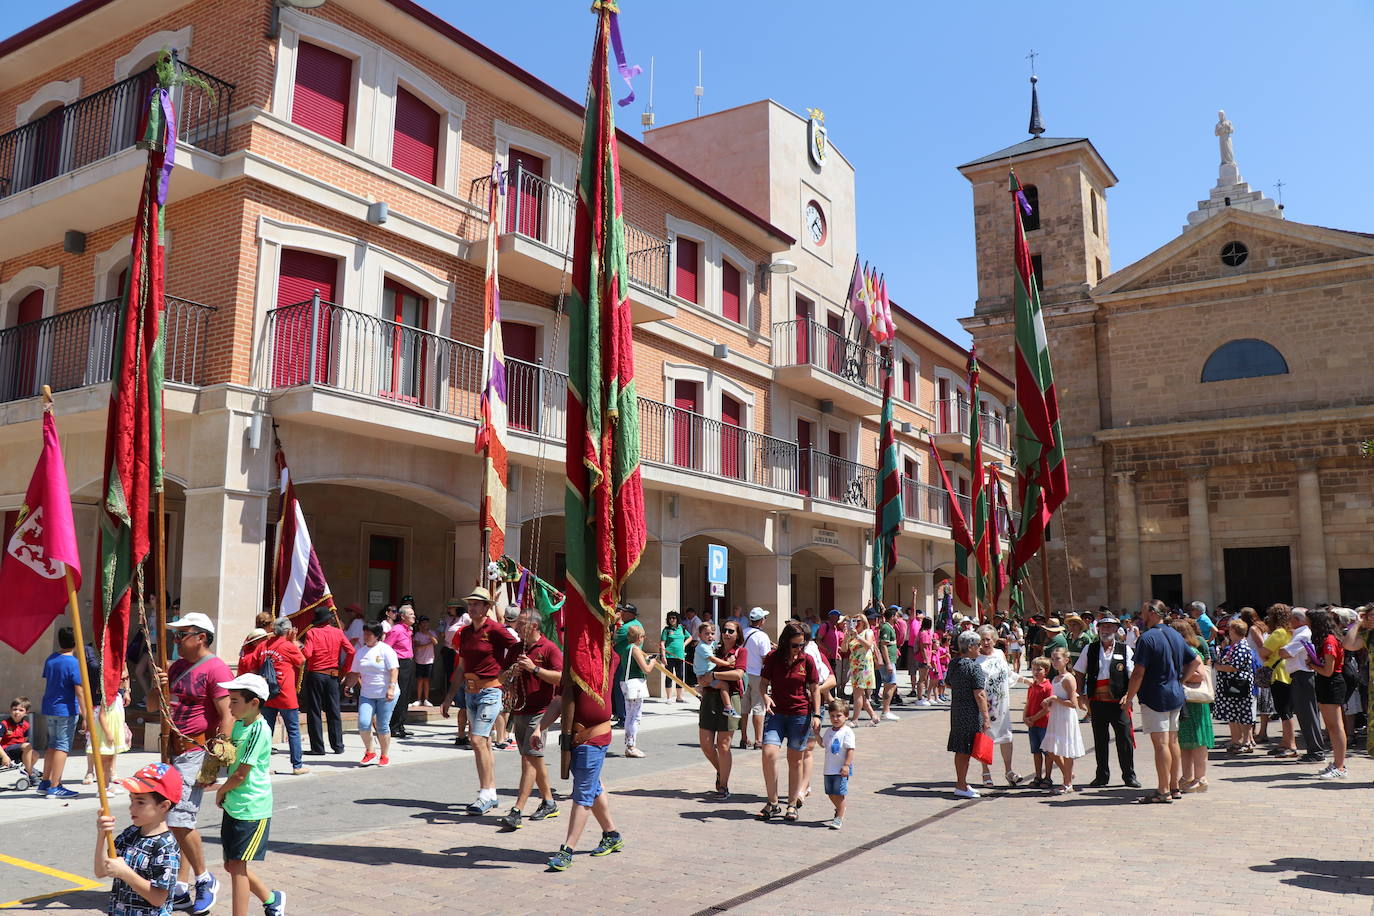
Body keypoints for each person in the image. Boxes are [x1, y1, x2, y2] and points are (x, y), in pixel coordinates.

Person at [160, 613, 234, 915]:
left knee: (179, 819)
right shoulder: (176, 667)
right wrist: (158, 685)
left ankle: (204, 879)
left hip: (197, 752)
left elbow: (228, 715)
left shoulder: (215, 668)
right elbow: (155, 705)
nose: (176, 641)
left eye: (182, 635)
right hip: (173, 751)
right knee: (176, 822)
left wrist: (213, 764)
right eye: (175, 636)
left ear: (201, 636)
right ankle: (179, 885)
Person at [213, 673, 285, 916]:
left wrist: (220, 790)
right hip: (235, 803)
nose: (230, 705)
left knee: (237, 866)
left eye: (235, 701)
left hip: (252, 807)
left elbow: (241, 774)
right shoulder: (240, 724)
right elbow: (232, 760)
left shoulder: (259, 729)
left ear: (254, 703)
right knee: (230, 864)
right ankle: (272, 898)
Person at [536, 674, 624, 871]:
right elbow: (560, 701)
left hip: (593, 739)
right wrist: (540, 728)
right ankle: (612, 834)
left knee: (583, 792)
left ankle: (568, 849)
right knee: (594, 787)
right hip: (575, 739)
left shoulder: (606, 662)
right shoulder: (572, 667)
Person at [447, 587, 518, 815]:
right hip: (469, 692)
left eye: (477, 604)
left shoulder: (496, 629)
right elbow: (461, 665)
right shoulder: (466, 632)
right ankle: (491, 793)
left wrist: (508, 674)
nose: (472, 607)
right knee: (484, 743)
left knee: (476, 740)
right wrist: (449, 696)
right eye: (470, 604)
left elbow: (517, 647)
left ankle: (485, 793)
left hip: (490, 691)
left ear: (487, 607)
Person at [1120, 600, 1198, 805]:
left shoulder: (1147, 638)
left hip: (1155, 695)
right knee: (1172, 741)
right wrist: (1180, 680)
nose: (1141, 615)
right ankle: (1173, 786)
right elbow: (1195, 661)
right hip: (1174, 694)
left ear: (1153, 613)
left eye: (1144, 611)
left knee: (1161, 744)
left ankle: (1163, 790)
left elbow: (1138, 672)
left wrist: (1129, 697)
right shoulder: (1175, 634)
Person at [498, 609, 563, 830]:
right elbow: (500, 676)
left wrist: (534, 669)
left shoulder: (549, 648)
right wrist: (511, 673)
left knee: (528, 758)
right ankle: (549, 802)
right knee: (535, 759)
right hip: (519, 710)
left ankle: (517, 810)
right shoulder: (516, 648)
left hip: (541, 712)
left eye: (522, 624)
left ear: (534, 626)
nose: (516, 627)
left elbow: (560, 676)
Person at [94, 762, 183, 916]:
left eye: (140, 802)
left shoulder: (166, 847)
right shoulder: (130, 834)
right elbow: (101, 871)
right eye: (131, 800)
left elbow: (158, 898)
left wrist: (125, 873)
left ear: (164, 806)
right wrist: (102, 835)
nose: (132, 808)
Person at [755, 623, 821, 822]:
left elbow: (815, 688)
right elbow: (763, 683)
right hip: (776, 713)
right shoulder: (773, 658)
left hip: (800, 714)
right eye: (795, 645)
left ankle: (792, 804)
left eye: (802, 645)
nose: (798, 649)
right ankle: (772, 802)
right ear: (785, 642)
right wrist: (765, 696)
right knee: (769, 753)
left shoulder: (807, 660)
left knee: (795, 759)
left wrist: (817, 714)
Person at [1072, 615, 1139, 788]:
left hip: (1119, 701)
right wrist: (1080, 693)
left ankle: (1129, 776)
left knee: (1124, 739)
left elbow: (1133, 675)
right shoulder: (1090, 648)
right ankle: (1102, 775)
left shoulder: (1125, 650)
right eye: (1103, 627)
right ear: (1098, 629)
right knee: (1100, 740)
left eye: (1109, 627)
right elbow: (1079, 671)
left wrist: (1129, 696)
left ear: (1116, 630)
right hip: (1097, 700)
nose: (1106, 631)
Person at [239, 617, 308, 776]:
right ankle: (297, 766)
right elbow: (302, 662)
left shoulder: (263, 645)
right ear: (289, 631)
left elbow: (255, 666)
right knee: (293, 730)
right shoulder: (288, 646)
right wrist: (294, 641)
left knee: (265, 731)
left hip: (268, 694)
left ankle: (263, 766)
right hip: (286, 696)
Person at [696, 620, 745, 799]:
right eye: (724, 630)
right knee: (706, 745)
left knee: (724, 746)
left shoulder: (741, 651)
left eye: (731, 631)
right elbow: (702, 672)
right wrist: (702, 680)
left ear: (738, 634)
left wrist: (713, 675)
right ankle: (721, 770)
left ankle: (723, 785)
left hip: (729, 698)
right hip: (709, 698)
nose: (726, 633)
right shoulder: (712, 649)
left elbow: (738, 674)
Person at [974, 624, 1025, 788]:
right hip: (985, 704)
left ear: (994, 640)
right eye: (982, 640)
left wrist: (1026, 681)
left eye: (988, 639)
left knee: (1006, 736)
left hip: (1001, 703)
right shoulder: (976, 658)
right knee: (985, 736)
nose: (985, 643)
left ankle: (1009, 771)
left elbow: (1008, 674)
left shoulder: (1000, 653)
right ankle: (985, 771)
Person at [300, 607, 355, 757]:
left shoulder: (312, 632)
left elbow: (307, 653)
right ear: (329, 619)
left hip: (316, 675)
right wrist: (344, 671)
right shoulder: (338, 632)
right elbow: (351, 651)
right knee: (334, 711)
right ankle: (338, 745)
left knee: (314, 711)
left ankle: (318, 748)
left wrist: (298, 647)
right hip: (332, 675)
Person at [36, 625, 81, 799]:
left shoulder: (51, 659)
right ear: (76, 642)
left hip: (50, 707)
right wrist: (84, 712)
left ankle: (45, 781)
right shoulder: (74, 663)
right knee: (62, 746)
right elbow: (79, 690)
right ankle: (55, 786)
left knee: (53, 744)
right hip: (66, 709)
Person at [1170, 618, 1213, 794]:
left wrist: (1179, 678)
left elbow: (1199, 675)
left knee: (1198, 741)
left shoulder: (1192, 651)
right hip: (1184, 702)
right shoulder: (1178, 651)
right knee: (1185, 742)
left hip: (1195, 702)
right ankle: (1187, 777)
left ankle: (1200, 778)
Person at [946, 629, 990, 799]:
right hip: (970, 712)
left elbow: (948, 683)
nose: (980, 648)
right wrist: (986, 717)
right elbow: (979, 694)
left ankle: (962, 782)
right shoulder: (974, 666)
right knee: (965, 749)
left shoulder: (954, 663)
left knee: (961, 748)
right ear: (970, 647)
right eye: (978, 645)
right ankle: (961, 784)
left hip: (957, 709)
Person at [1280, 608, 1327, 763]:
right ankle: (1314, 750)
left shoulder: (1302, 633)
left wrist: (1280, 649)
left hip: (1303, 677)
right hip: (1300, 677)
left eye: (1290, 618)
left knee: (1308, 715)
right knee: (1305, 715)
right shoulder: (1300, 632)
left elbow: (1285, 652)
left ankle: (1316, 751)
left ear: (1296, 620)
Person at [347, 622, 398, 765]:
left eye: (369, 634)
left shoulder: (385, 650)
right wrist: (348, 685)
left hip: (385, 694)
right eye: (365, 633)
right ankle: (370, 751)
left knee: (382, 725)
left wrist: (391, 688)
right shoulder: (361, 652)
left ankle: (384, 755)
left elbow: (394, 670)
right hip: (367, 694)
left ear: (377, 636)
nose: (366, 636)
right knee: (363, 724)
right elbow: (355, 672)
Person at [1308, 608, 1348, 779]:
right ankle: (1337, 762)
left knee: (1336, 726)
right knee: (1331, 727)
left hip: (1332, 683)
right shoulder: (1326, 639)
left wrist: (1312, 665)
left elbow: (1328, 671)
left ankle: (1340, 766)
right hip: (1326, 684)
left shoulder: (1330, 640)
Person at [1041, 647, 1086, 793]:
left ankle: (1067, 783)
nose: (1054, 662)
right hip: (1056, 715)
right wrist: (1049, 703)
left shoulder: (1068, 678)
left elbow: (1073, 704)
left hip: (1066, 716)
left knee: (1066, 750)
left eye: (1058, 659)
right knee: (1051, 749)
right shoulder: (1055, 678)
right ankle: (1068, 774)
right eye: (1052, 659)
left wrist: (1054, 698)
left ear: (1066, 660)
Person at [1260, 603, 1297, 759]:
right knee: (1285, 710)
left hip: (1279, 674)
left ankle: (1291, 744)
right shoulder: (1292, 632)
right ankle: (1285, 742)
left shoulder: (1278, 633)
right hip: (1289, 671)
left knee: (1284, 710)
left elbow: (1263, 652)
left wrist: (1267, 656)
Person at [1214, 618, 1257, 754]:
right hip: (1233, 684)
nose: (1228, 632)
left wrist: (1219, 667)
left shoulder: (1242, 647)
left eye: (1230, 629)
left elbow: (1234, 667)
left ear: (1235, 631)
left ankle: (1246, 742)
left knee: (1243, 714)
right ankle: (1236, 741)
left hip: (1239, 684)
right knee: (1233, 714)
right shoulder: (1235, 645)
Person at [618, 624, 655, 758]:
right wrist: (653, 662)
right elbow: (646, 669)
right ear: (639, 637)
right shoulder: (635, 649)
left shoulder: (626, 648)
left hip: (626, 682)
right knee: (635, 716)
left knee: (630, 715)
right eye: (643, 636)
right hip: (635, 684)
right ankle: (631, 746)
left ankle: (629, 743)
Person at [739, 607, 773, 750]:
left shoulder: (742, 633)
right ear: (761, 621)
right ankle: (758, 739)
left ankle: (743, 738)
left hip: (742, 674)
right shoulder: (762, 637)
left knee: (744, 708)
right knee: (758, 708)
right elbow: (766, 657)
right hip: (757, 675)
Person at [820, 698, 855, 830]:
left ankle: (839, 816)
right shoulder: (829, 731)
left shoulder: (847, 732)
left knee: (839, 793)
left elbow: (851, 750)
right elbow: (823, 744)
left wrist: (846, 765)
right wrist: (816, 734)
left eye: (839, 716)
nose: (835, 719)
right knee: (830, 792)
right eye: (832, 716)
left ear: (846, 716)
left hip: (840, 769)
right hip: (828, 768)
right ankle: (839, 808)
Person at [384, 605, 416, 738]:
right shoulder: (397, 630)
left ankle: (401, 724)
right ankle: (393, 726)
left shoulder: (408, 630)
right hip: (399, 664)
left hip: (408, 662)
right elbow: (386, 647)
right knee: (400, 695)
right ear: (402, 616)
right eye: (411, 614)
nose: (414, 616)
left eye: (413, 614)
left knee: (406, 696)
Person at [692, 623, 738, 718]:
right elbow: (713, 659)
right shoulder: (702, 647)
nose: (710, 636)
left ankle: (700, 689)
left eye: (712, 633)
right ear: (700, 636)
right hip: (704, 676)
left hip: (707, 674)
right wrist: (728, 663)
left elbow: (716, 645)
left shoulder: (709, 644)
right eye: (707, 634)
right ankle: (728, 708)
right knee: (724, 685)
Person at [1023, 658, 1053, 788]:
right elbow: (1028, 702)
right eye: (1034, 669)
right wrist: (1025, 717)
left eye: (1039, 669)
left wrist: (1033, 718)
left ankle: (1048, 777)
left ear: (1046, 671)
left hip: (1043, 724)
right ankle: (1038, 776)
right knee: (1035, 751)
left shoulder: (1048, 687)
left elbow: (1047, 708)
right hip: (1032, 724)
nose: (1035, 672)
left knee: (1047, 752)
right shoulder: (1032, 686)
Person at [846, 614, 880, 727]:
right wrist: (847, 636)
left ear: (863, 621)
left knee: (857, 693)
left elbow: (868, 645)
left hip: (864, 665)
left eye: (858, 620)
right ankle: (874, 716)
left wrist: (857, 636)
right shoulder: (852, 634)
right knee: (860, 693)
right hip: (855, 666)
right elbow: (844, 648)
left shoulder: (867, 632)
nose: (856, 623)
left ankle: (855, 720)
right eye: (854, 620)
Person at [2, 696, 37, 780]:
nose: (17, 712)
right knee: (27, 746)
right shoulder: (4, 724)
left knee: (35, 754)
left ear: (26, 713)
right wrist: (4, 757)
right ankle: (31, 775)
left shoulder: (26, 725)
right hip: (5, 750)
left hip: (16, 750)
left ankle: (28, 768)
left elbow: (24, 740)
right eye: (14, 709)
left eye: (21, 710)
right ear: (11, 710)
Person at [658, 611, 689, 703]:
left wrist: (684, 645)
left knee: (680, 676)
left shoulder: (681, 629)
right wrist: (663, 656)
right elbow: (662, 643)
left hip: (680, 656)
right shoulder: (666, 630)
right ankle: (669, 697)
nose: (672, 620)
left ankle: (679, 697)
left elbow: (690, 637)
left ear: (677, 619)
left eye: (674, 618)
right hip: (669, 655)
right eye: (670, 618)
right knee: (669, 676)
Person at [877, 608, 901, 720]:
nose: (898, 617)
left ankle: (886, 710)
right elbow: (883, 645)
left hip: (891, 660)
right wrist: (888, 663)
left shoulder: (889, 627)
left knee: (891, 684)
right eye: (896, 615)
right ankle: (885, 711)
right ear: (892, 617)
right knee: (889, 685)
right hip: (888, 662)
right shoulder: (886, 628)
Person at [412, 615, 438, 707]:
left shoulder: (432, 632)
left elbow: (435, 642)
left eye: (426, 622)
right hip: (419, 660)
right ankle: (418, 699)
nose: (425, 624)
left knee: (427, 680)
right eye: (423, 622)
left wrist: (428, 635)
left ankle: (426, 699)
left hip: (429, 660)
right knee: (420, 680)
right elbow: (417, 647)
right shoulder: (417, 634)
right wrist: (427, 644)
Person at [907, 613, 933, 704]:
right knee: (922, 679)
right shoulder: (924, 634)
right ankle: (919, 698)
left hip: (924, 658)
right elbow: (923, 648)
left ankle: (923, 697)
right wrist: (927, 660)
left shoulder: (924, 632)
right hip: (923, 659)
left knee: (925, 678)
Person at [933, 631, 952, 703]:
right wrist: (945, 655)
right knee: (941, 682)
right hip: (942, 666)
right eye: (949, 641)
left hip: (946, 666)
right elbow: (938, 657)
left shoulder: (947, 648)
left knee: (945, 682)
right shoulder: (940, 649)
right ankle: (940, 694)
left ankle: (943, 694)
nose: (950, 643)